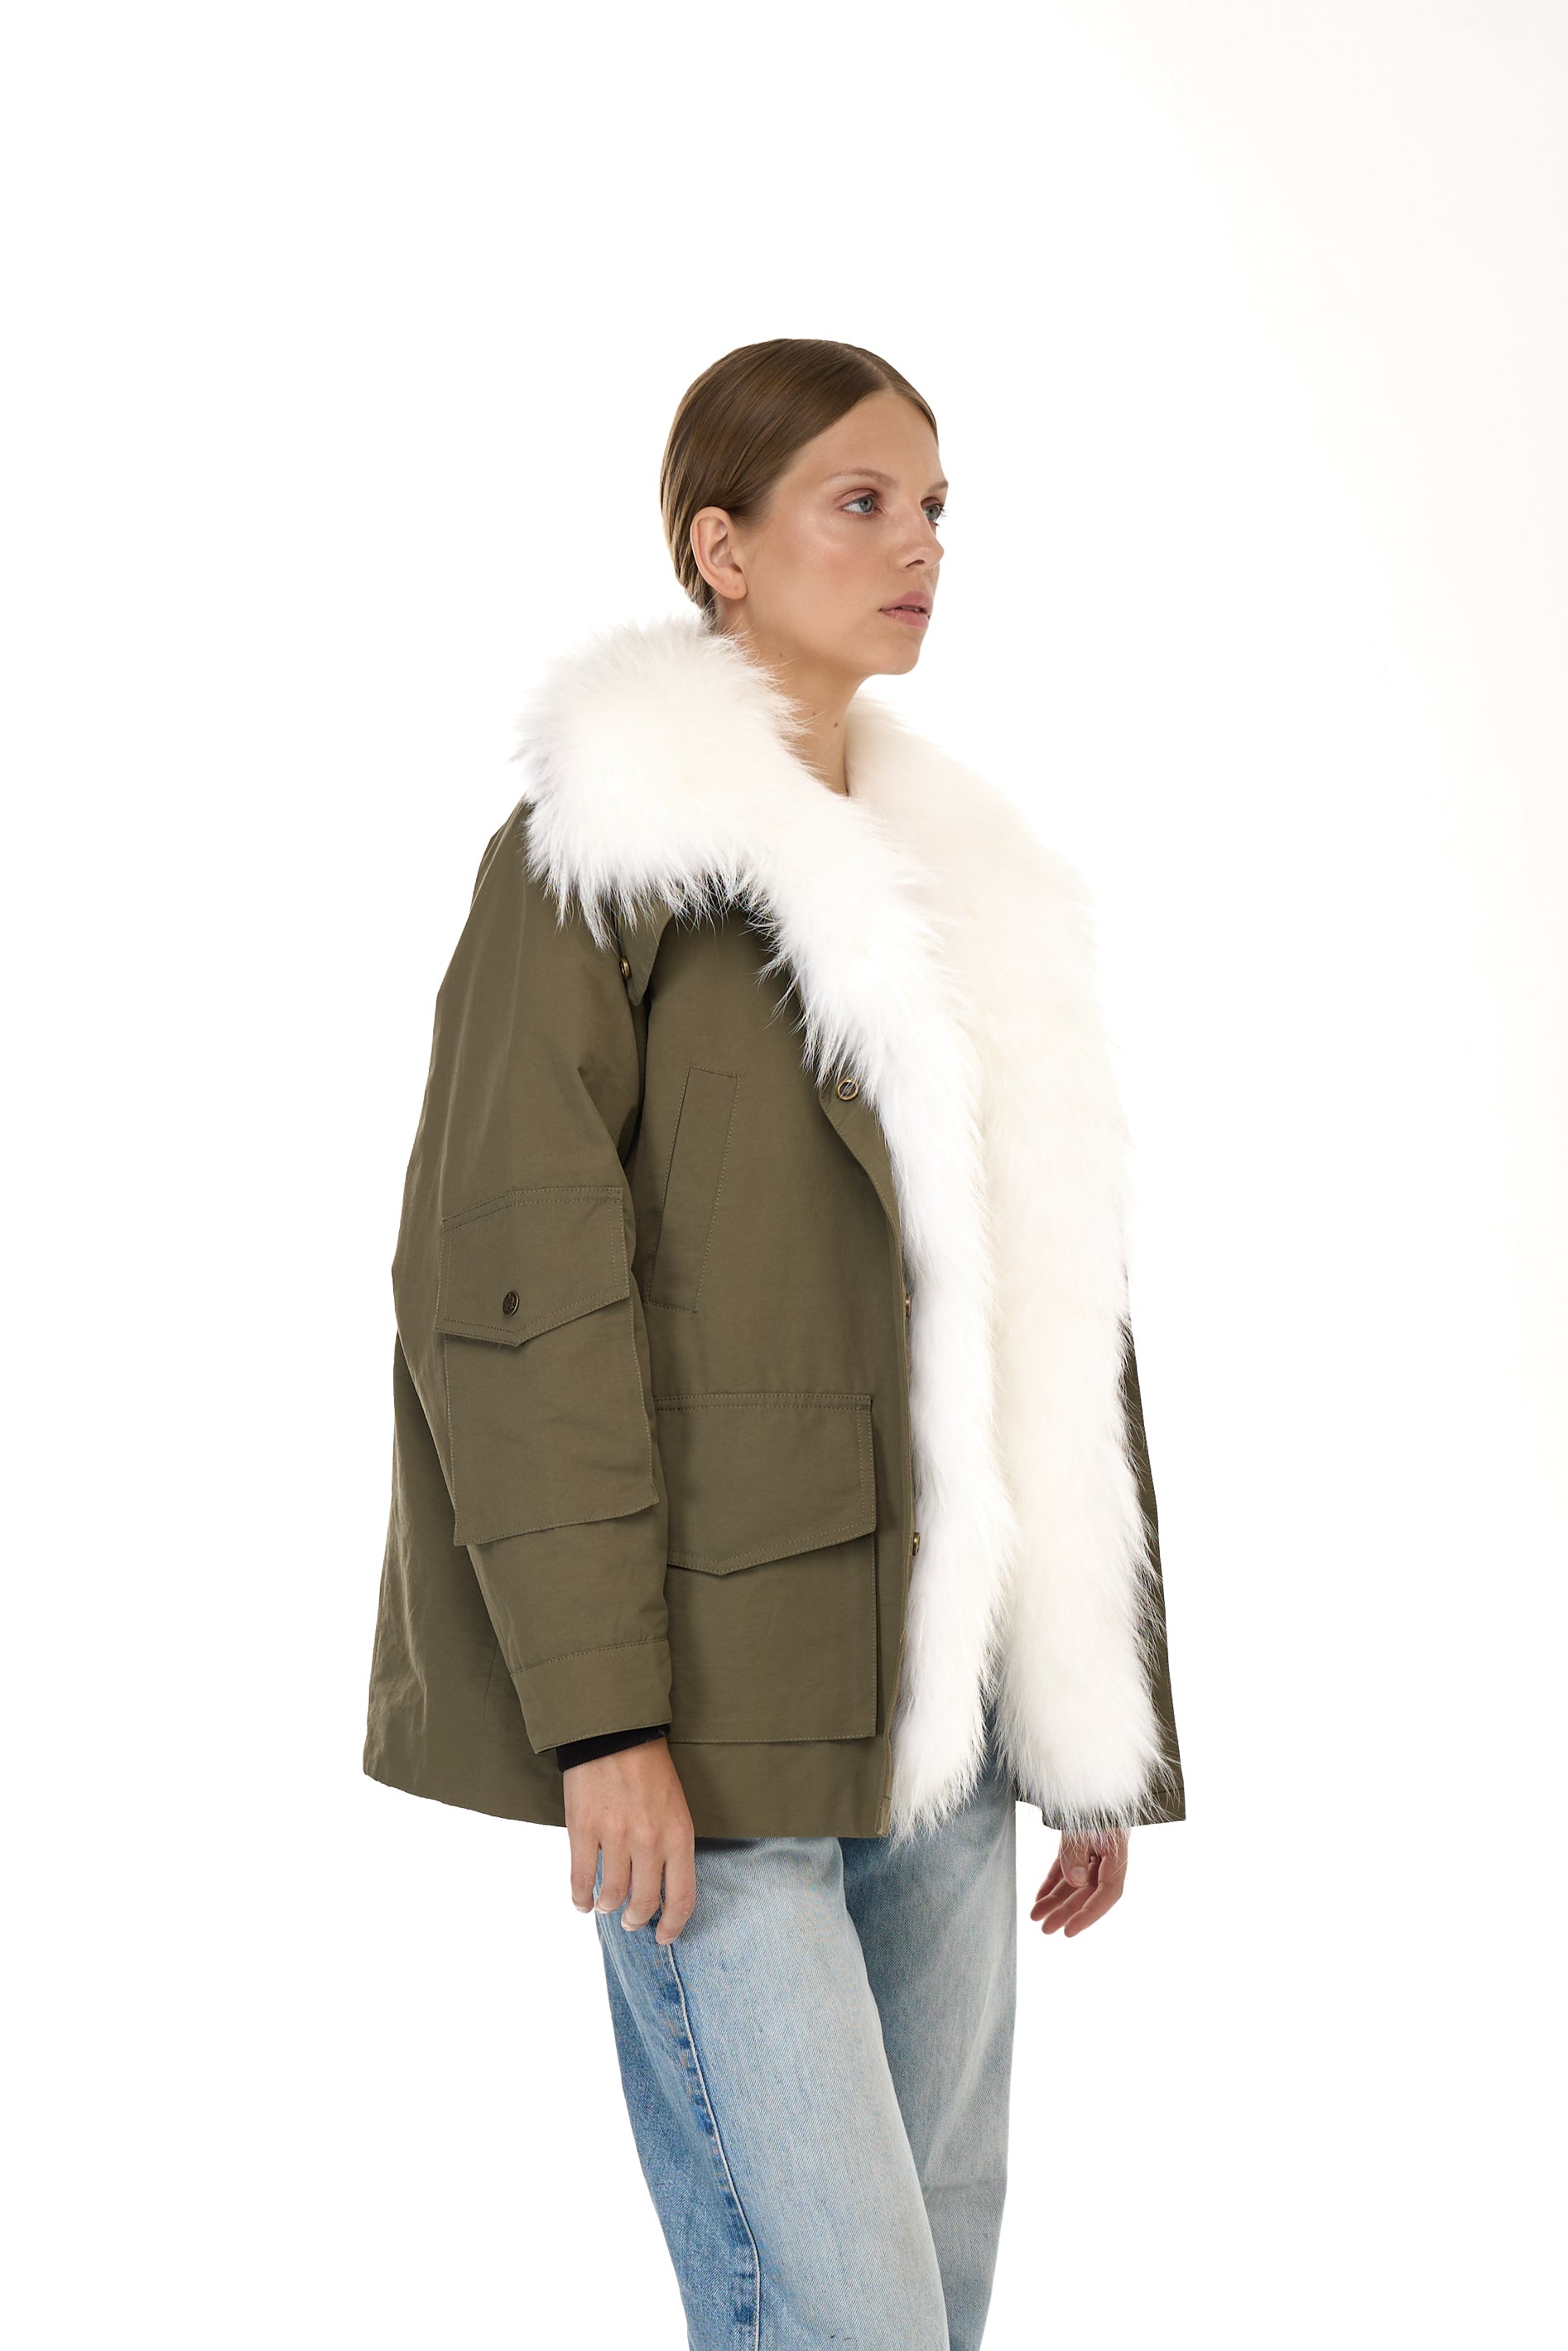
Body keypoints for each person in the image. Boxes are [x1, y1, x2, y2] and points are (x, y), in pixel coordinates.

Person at [363, 337, 1185, 2349]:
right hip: (706, 1730)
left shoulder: (967, 896)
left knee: (931, 2302)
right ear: (718, 547)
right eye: (860, 502)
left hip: (943, 1726)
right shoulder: (599, 861)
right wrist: (598, 1721)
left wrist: (1087, 1707)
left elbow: (1043, 1305)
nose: (917, 547)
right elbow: (505, 1298)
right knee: (844, 2316)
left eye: (934, 510)